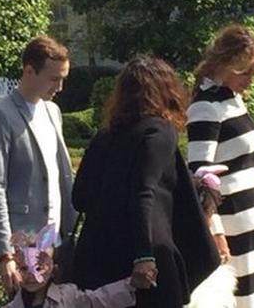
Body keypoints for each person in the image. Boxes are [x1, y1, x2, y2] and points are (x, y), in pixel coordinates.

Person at [73, 54, 219, 307]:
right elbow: (144, 193)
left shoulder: (104, 137)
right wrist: (144, 255)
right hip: (146, 254)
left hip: (97, 255)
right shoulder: (159, 132)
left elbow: (80, 197)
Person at [186, 25, 254, 307]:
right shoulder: (205, 107)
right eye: (244, 72)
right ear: (224, 65)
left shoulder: (232, 100)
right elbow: (199, 176)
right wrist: (216, 233)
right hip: (234, 223)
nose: (250, 80)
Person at [0, 35, 76, 295]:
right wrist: (4, 254)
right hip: (23, 243)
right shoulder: (0, 115)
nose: (60, 86)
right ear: (29, 71)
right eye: (54, 78)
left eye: (63, 78)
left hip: (58, 239)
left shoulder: (52, 112)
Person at [2, 224, 148, 308]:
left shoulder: (67, 296)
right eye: (24, 269)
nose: (31, 275)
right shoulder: (15, 305)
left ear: (53, 270)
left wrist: (129, 285)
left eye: (39, 268)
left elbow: (97, 299)